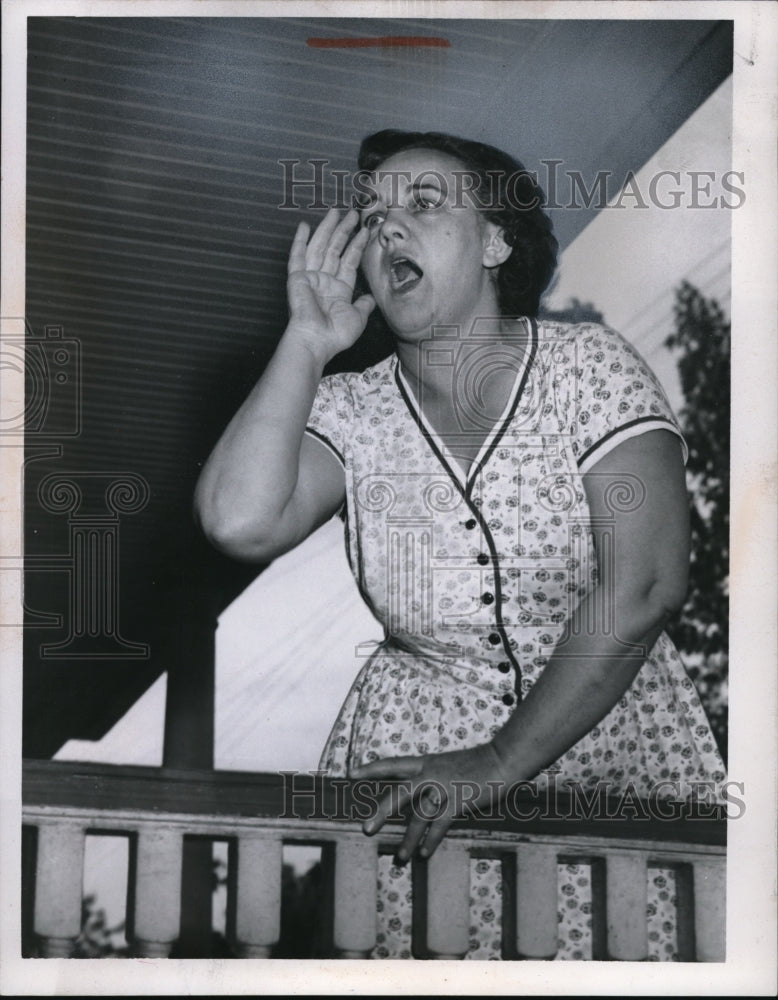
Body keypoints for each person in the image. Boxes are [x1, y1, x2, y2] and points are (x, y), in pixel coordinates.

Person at [194, 130, 726, 960]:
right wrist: (304, 341)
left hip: (613, 768)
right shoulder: (352, 408)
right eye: (373, 218)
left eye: (424, 205)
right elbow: (238, 520)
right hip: (420, 802)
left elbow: (648, 580)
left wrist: (499, 759)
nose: (388, 230)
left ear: (495, 241)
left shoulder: (590, 370)